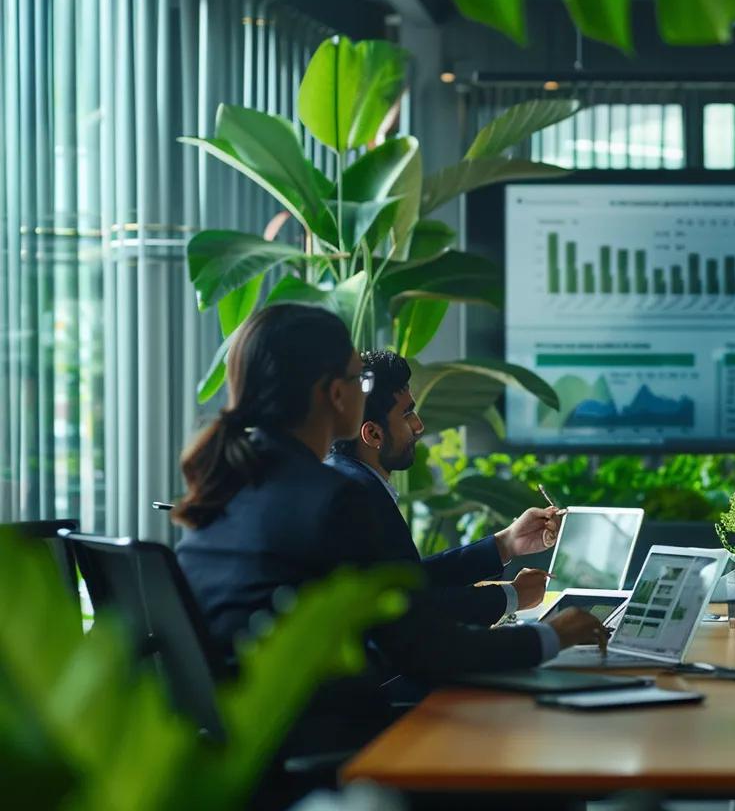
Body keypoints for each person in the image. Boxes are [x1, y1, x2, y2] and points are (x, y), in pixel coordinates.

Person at [173, 304, 606, 751]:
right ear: (333, 394)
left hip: (250, 753)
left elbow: (394, 588)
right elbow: (427, 649)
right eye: (358, 376)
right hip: (333, 754)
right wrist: (552, 636)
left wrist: (502, 547)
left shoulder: (229, 483)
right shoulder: (333, 497)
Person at [324, 350, 547, 627]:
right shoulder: (357, 497)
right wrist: (511, 597)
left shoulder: (346, 479)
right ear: (373, 434)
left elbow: (408, 581)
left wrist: (507, 543)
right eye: (407, 414)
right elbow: (409, 614)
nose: (419, 425)